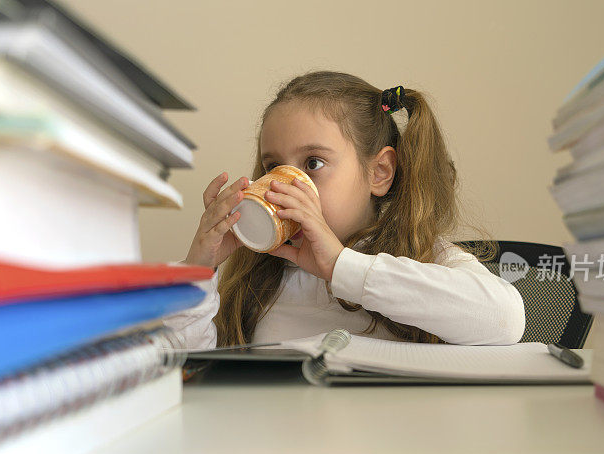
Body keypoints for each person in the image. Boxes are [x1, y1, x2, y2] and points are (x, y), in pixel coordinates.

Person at [164, 71, 525, 349]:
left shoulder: (422, 256)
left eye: (314, 163)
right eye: (273, 166)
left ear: (379, 172)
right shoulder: (262, 275)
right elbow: (187, 366)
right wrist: (199, 270)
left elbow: (505, 319)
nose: (283, 185)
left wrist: (341, 266)